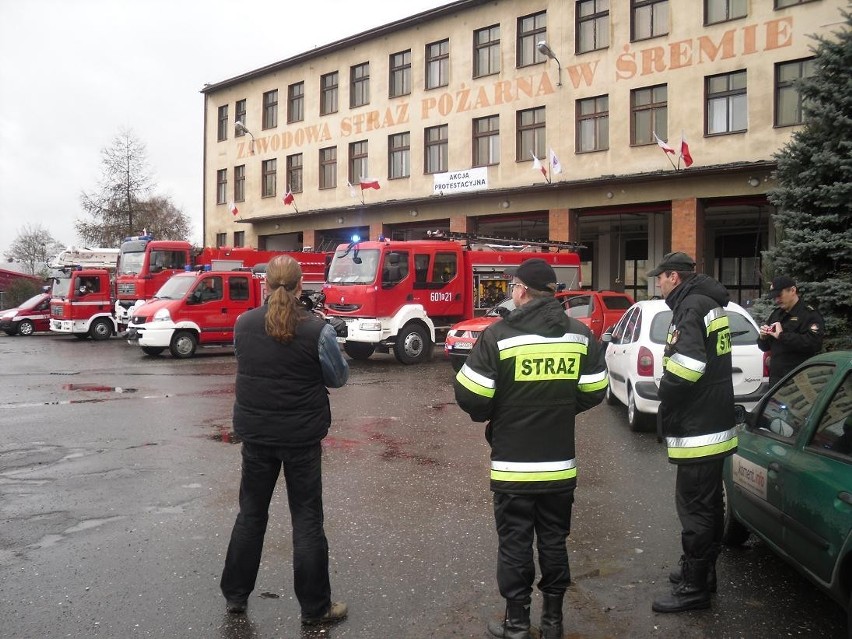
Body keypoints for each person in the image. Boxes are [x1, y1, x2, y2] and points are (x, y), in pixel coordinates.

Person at [454, 258, 608, 639]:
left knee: (515, 544)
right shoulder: (579, 334)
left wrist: (501, 412)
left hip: (513, 468)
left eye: (513, 287)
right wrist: (559, 408)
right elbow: (594, 391)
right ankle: (554, 623)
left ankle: (518, 625)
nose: (512, 292)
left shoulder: (498, 335)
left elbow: (471, 395)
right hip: (559, 468)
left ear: (522, 290)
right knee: (554, 540)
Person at [220, 255, 350, 625]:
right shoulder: (316, 329)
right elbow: (338, 378)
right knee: (307, 520)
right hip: (301, 437)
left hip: (257, 434)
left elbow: (248, 363)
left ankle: (236, 597)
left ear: (265, 285)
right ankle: (315, 608)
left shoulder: (243, 324)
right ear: (299, 287)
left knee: (251, 515)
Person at [646, 252, 738, 614]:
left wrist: (664, 388)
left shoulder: (690, 307)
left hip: (698, 426)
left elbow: (688, 365)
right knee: (711, 504)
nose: (658, 283)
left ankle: (694, 588)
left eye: (660, 278)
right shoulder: (710, 303)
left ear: (674, 277)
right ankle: (704, 574)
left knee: (696, 510)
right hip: (715, 421)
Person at [757, 275, 823, 386]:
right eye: (775, 297)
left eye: (779, 295)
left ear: (792, 290)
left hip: (798, 381)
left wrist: (782, 336)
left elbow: (814, 344)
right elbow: (765, 347)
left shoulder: (809, 314)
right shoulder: (776, 314)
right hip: (776, 381)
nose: (777, 300)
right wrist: (763, 338)